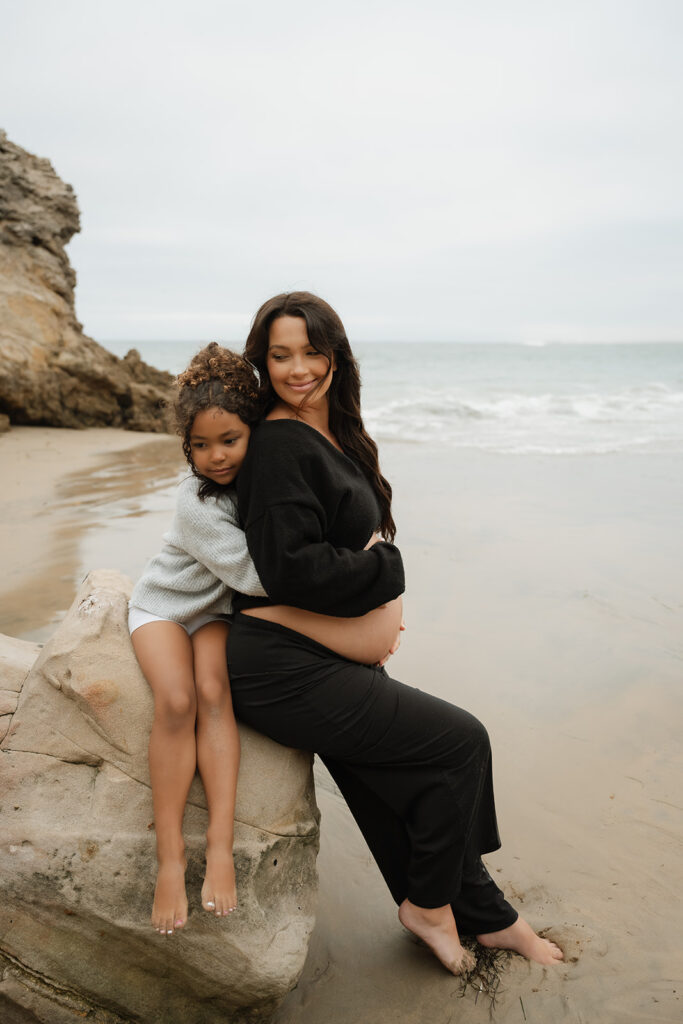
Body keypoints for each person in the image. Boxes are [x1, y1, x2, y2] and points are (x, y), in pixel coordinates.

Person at [227, 292, 564, 975]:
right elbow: (287, 567)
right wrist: (386, 569)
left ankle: (489, 918)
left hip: (317, 655)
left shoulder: (333, 436)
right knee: (459, 742)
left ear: (334, 354)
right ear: (262, 362)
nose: (297, 368)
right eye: (279, 355)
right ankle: (428, 906)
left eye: (310, 352)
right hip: (280, 667)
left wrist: (369, 609)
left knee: (410, 784)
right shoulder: (277, 442)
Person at [130, 343, 404, 937]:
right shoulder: (195, 502)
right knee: (176, 702)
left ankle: (221, 848)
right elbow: (268, 576)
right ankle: (171, 859)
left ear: (254, 430)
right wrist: (361, 585)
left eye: (229, 440)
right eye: (199, 446)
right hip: (166, 608)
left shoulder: (263, 475)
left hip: (217, 616)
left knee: (215, 695)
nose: (215, 457)